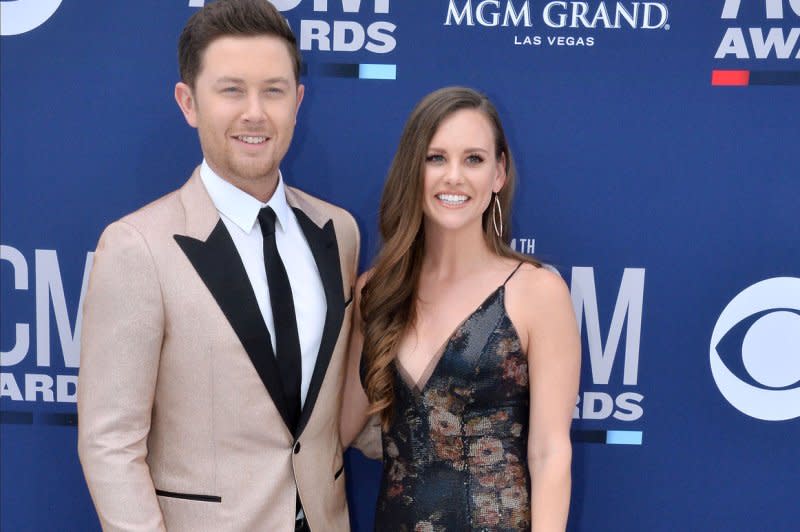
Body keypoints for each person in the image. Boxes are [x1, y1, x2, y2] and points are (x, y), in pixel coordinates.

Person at [78, 1, 364, 530]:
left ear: (298, 102)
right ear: (188, 103)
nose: (254, 112)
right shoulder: (137, 247)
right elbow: (109, 444)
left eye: (273, 91)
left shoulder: (338, 232)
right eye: (231, 90)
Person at [340, 87, 581, 531]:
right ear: (414, 169)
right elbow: (337, 429)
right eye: (436, 158)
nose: (454, 176)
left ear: (499, 173)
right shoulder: (376, 292)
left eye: (473, 159)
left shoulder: (538, 292)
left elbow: (549, 454)